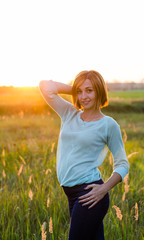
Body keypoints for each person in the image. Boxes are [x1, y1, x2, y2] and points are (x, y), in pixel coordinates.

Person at [39, 70, 129, 240]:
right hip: (70, 193)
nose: (83, 96)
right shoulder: (69, 113)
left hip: (89, 193)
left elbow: (123, 164)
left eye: (89, 90)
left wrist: (104, 189)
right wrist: (74, 88)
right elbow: (45, 86)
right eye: (79, 92)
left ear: (99, 91)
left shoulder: (108, 125)